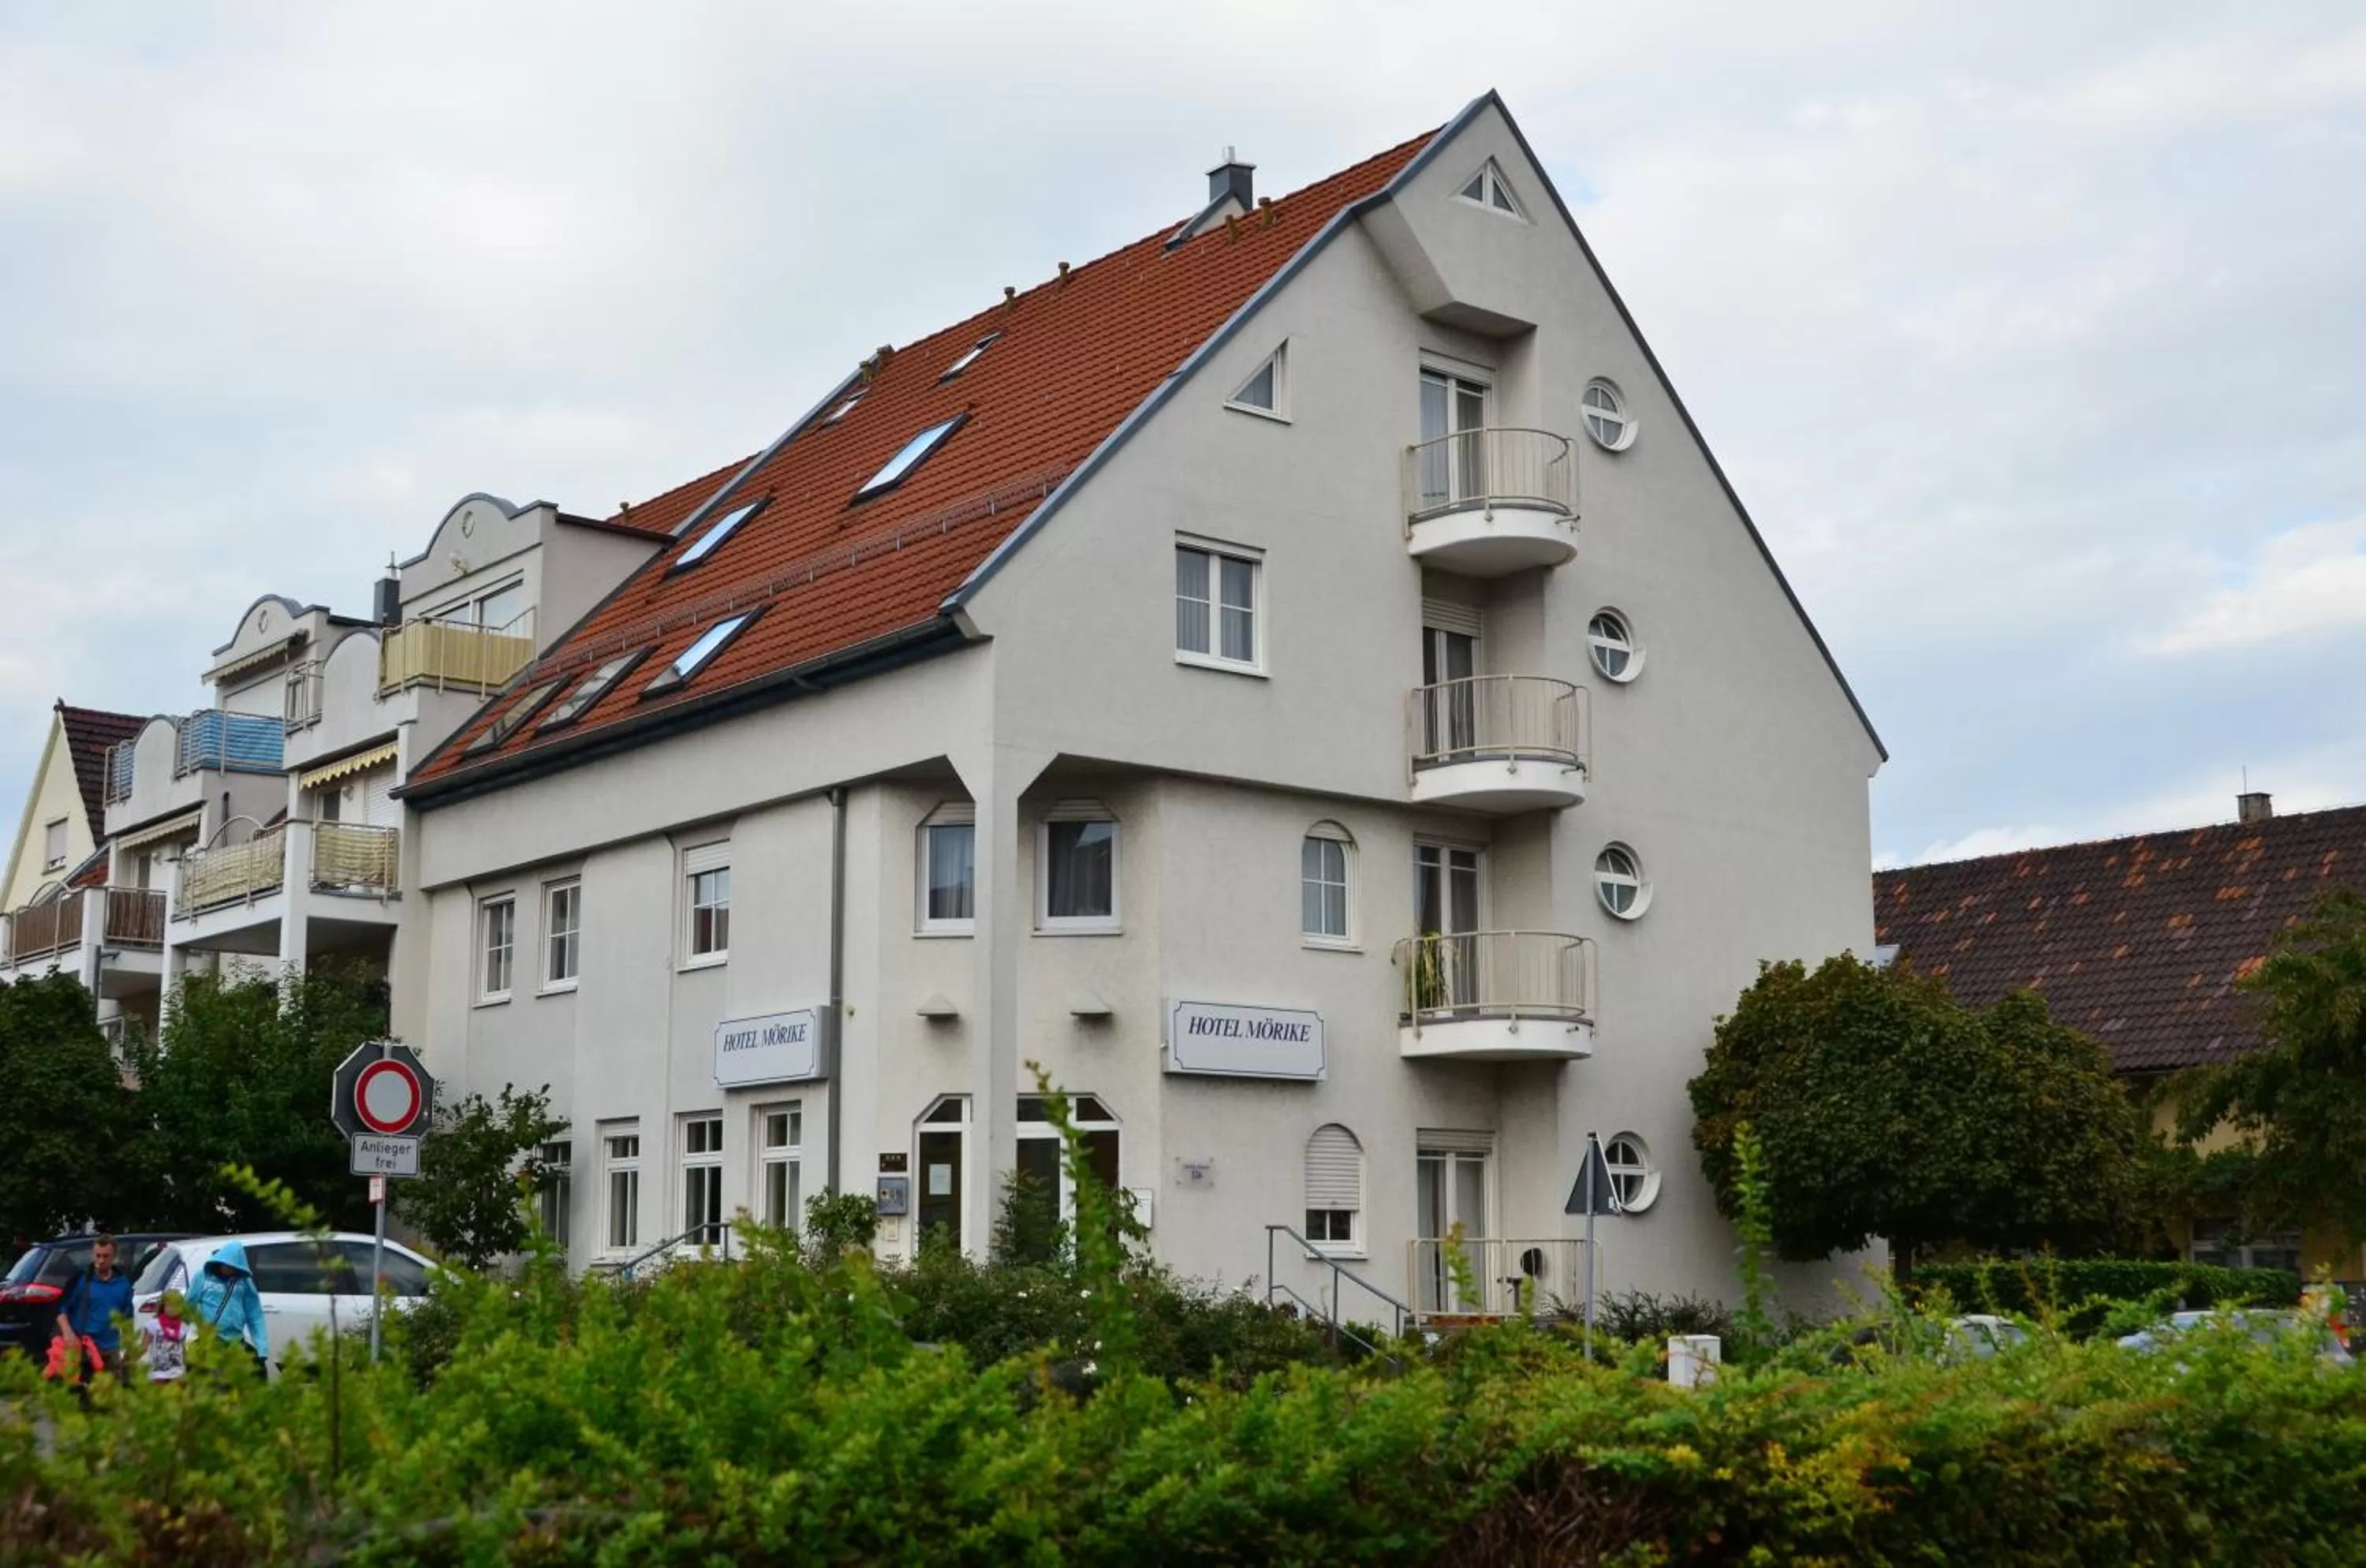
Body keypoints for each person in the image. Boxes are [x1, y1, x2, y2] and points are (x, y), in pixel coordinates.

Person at [52, 1234, 135, 1390]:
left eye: (106, 1256)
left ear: (114, 1257)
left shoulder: (123, 1283)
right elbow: (62, 1311)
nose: (101, 1261)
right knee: (84, 1397)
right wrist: (68, 1333)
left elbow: (128, 1317)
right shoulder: (82, 1280)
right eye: (98, 1256)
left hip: (111, 1348)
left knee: (113, 1395)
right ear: (93, 1255)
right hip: (84, 1348)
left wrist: (129, 1348)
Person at [183, 1241, 269, 1376]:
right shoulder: (203, 1277)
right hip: (210, 1341)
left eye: (233, 1266)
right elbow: (188, 1308)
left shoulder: (244, 1282)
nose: (229, 1269)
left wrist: (261, 1347)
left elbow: (254, 1315)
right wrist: (175, 1337)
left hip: (236, 1342)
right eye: (227, 1264)